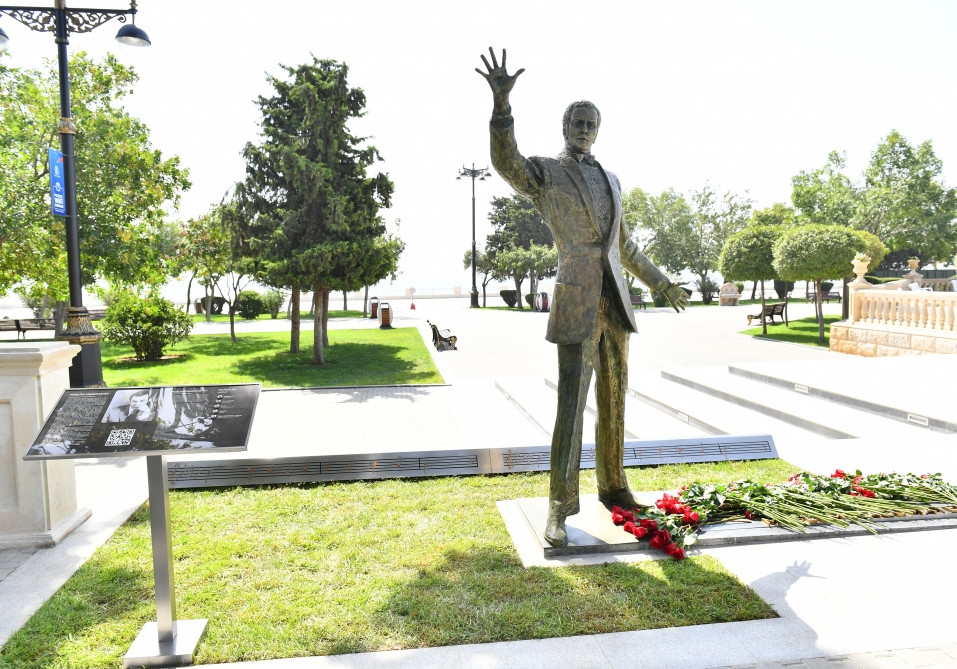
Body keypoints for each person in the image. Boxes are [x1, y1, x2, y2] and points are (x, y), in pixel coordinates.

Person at [477, 47, 689, 547]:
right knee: (571, 406)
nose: (585, 129)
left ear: (600, 129)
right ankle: (558, 505)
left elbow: (626, 247)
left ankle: (614, 488)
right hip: (576, 299)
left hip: (614, 304)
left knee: (614, 400)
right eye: (578, 121)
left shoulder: (613, 180)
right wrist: (502, 107)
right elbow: (506, 163)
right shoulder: (548, 172)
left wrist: (661, 282)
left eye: (592, 123)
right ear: (565, 124)